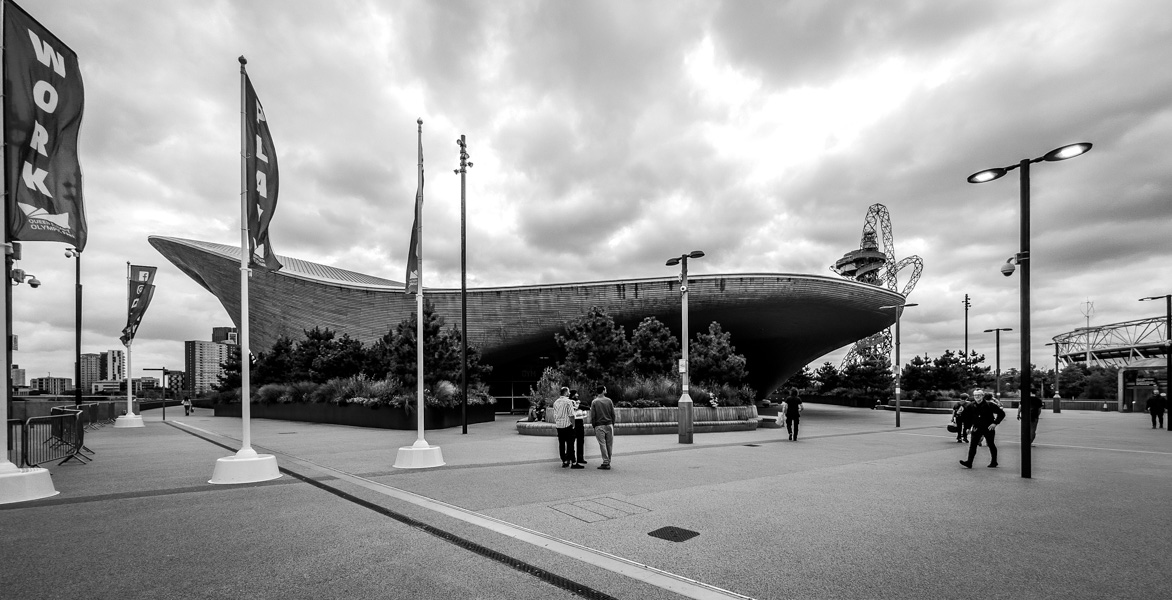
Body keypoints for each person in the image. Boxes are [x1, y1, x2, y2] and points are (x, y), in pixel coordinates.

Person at [960, 392, 1006, 469]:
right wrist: (967, 428)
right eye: (975, 395)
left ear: (982, 396)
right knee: (973, 445)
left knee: (991, 444)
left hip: (988, 427)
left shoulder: (990, 405)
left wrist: (995, 423)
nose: (977, 396)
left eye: (979, 395)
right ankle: (969, 462)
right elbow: (968, 417)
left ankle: (994, 462)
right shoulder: (970, 405)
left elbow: (1001, 414)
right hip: (976, 427)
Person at [589, 384, 615, 470]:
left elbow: (593, 415)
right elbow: (613, 413)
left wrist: (594, 425)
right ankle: (609, 460)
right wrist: (612, 423)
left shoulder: (594, 402)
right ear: (603, 391)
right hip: (609, 424)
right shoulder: (609, 401)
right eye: (605, 389)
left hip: (599, 425)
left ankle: (605, 461)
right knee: (609, 444)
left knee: (602, 444)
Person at [552, 387, 578, 468]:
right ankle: (572, 460)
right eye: (568, 392)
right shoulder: (568, 401)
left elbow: (555, 414)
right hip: (567, 425)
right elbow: (571, 415)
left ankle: (564, 460)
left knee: (561, 443)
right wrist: (573, 425)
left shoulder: (556, 402)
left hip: (559, 426)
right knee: (570, 444)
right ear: (566, 393)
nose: (569, 393)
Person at [571, 390, 588, 466]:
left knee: (581, 440)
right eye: (576, 394)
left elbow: (584, 404)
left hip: (580, 421)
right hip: (573, 422)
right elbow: (581, 406)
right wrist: (580, 405)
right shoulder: (571, 402)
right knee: (571, 441)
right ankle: (571, 458)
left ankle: (580, 457)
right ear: (572, 395)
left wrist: (580, 403)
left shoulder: (578, 402)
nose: (577, 395)